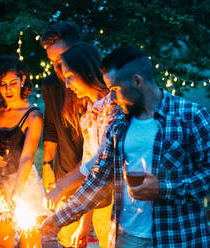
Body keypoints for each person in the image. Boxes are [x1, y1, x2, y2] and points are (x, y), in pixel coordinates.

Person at [40, 46, 210, 248]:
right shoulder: (119, 124)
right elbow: (98, 180)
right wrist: (58, 219)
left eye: (114, 89)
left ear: (137, 81)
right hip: (124, 237)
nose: (111, 98)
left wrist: (164, 189)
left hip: (176, 237)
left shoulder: (191, 116)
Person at [45, 44, 120, 248]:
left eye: (70, 77)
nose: (67, 84)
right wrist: (61, 184)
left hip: (122, 206)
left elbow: (100, 167)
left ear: (87, 72)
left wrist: (62, 188)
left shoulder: (113, 106)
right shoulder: (89, 110)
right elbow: (88, 164)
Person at [0, 55, 46, 248]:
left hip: (24, 183)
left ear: (22, 80)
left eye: (13, 83)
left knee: (30, 241)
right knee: (3, 241)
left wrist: (17, 193)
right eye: (2, 84)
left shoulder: (32, 115)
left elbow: (27, 156)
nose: (8, 89)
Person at [40, 21, 89, 247]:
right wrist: (48, 165)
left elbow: (97, 158)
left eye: (61, 61)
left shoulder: (99, 92)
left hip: (99, 183)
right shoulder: (51, 86)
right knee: (68, 241)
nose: (59, 69)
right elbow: (50, 125)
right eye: (53, 62)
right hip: (66, 175)